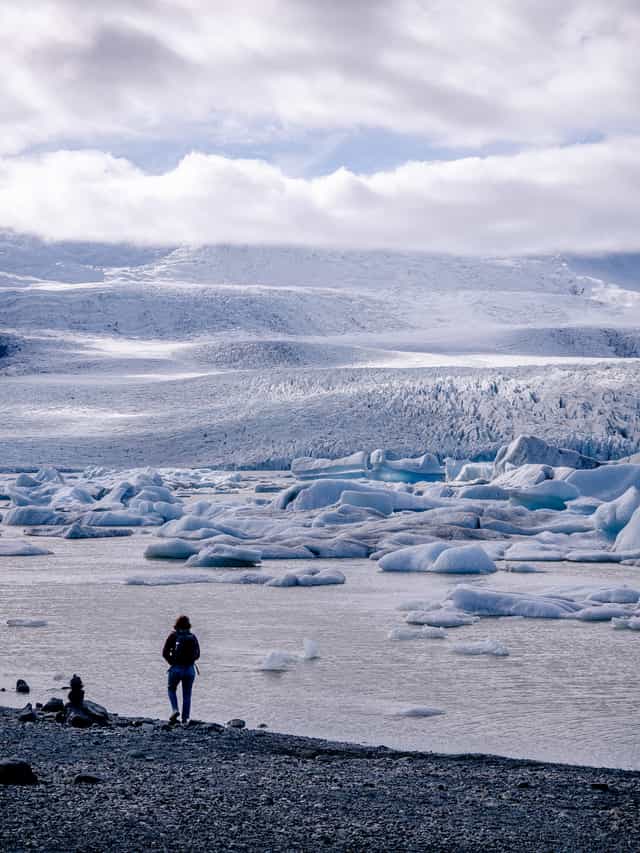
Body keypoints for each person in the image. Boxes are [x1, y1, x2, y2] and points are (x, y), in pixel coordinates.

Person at [162, 615, 200, 725]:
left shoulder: (173, 636)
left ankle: (175, 710)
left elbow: (164, 653)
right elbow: (198, 655)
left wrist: (172, 663)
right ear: (189, 626)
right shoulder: (192, 637)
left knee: (171, 689)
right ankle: (185, 719)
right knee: (187, 694)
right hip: (189, 670)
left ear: (176, 625)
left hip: (176, 668)